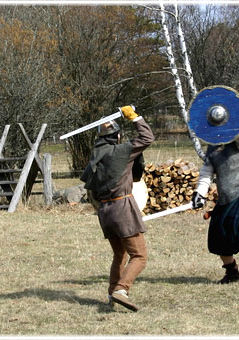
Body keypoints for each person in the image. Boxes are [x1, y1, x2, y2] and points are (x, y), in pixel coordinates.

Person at [80, 105, 154, 311]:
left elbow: (91, 189)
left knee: (120, 254)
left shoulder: (96, 156)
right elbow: (147, 137)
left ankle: (112, 294)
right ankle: (121, 290)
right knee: (139, 256)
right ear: (117, 136)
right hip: (122, 209)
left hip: (104, 212)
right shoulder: (120, 152)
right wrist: (134, 117)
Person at [191, 128, 239, 284]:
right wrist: (199, 193)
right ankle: (232, 273)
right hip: (225, 198)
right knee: (218, 237)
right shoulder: (212, 148)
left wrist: (232, 121)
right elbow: (207, 171)